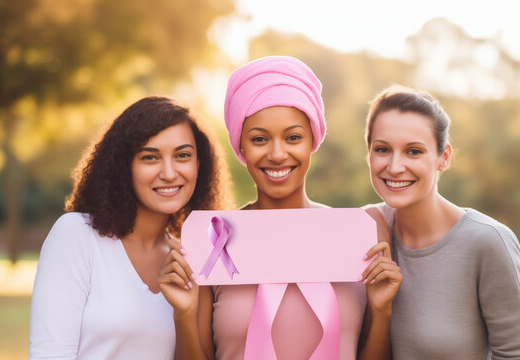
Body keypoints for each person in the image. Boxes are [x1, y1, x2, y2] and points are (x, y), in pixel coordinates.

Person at [164, 56, 402, 360]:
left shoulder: (362, 231)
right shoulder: (213, 238)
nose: (277, 154)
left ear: (313, 140)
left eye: (293, 137)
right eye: (260, 139)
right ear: (241, 146)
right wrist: (183, 314)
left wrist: (382, 310)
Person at [29, 96, 232, 360]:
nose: (170, 173)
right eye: (150, 157)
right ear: (124, 167)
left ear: (198, 166)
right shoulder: (77, 235)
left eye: (182, 156)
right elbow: (50, 354)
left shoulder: (191, 261)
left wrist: (185, 315)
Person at [364, 85, 520, 360]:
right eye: (382, 149)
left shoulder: (487, 241)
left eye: (413, 151)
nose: (395, 166)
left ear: (443, 158)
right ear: (369, 154)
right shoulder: (364, 229)